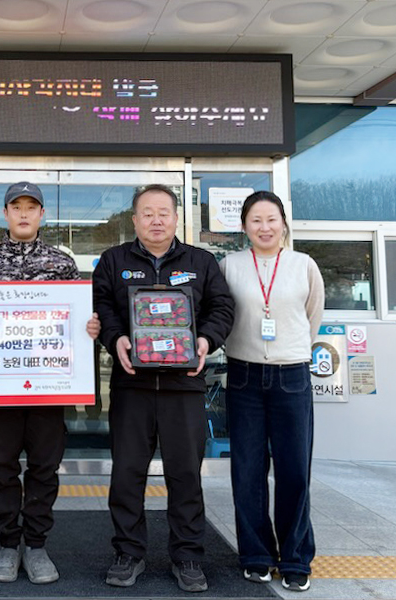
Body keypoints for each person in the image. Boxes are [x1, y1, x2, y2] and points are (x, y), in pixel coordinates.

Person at [0, 181, 100, 585]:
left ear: (42, 214)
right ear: (6, 213)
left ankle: (37, 544)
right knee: (1, 467)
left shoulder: (62, 264)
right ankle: (9, 544)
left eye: (32, 207)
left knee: (45, 467)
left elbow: (77, 319)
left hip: (48, 385)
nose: (24, 213)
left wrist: (89, 328)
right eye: (17, 206)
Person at [92, 184, 235, 593]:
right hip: (131, 386)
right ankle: (128, 553)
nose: (156, 220)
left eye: (163, 213)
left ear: (176, 218)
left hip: (184, 386)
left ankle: (188, 556)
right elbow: (101, 306)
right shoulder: (114, 260)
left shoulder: (201, 262)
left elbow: (222, 308)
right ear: (134, 219)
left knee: (185, 475)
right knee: (127, 474)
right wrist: (116, 337)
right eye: (147, 213)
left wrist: (206, 340)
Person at [218, 190, 324, 592]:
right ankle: (256, 555)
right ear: (244, 226)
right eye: (256, 220)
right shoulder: (229, 265)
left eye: (271, 219)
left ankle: (296, 558)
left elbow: (313, 315)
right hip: (243, 375)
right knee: (247, 471)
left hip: (292, 376)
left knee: (294, 470)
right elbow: (222, 313)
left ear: (283, 224)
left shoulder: (304, 265)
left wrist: (291, 350)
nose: (264, 227)